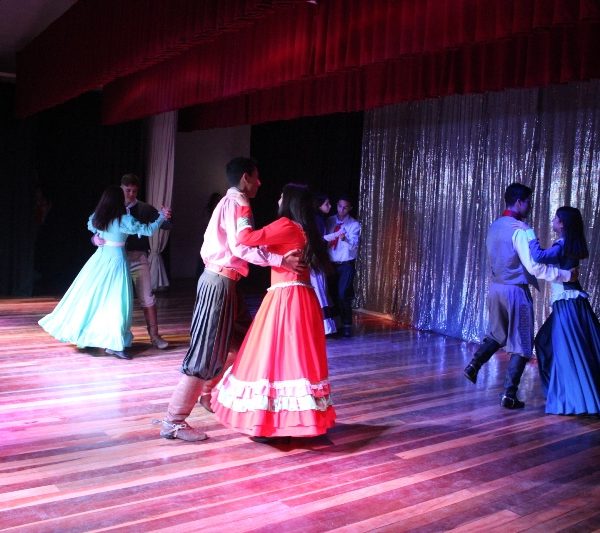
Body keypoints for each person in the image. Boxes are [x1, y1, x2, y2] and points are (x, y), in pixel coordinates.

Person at [157, 157, 304, 442]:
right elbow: (241, 246)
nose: (259, 183)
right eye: (256, 177)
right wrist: (280, 260)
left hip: (227, 282)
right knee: (205, 353)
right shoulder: (239, 203)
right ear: (245, 177)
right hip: (220, 281)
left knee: (244, 345)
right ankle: (173, 421)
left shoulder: (228, 202)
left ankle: (208, 393)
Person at [211, 183, 336, 440]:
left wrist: (243, 208)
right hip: (303, 297)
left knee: (273, 357)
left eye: (281, 196)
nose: (278, 200)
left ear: (289, 201)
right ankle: (295, 421)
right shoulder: (303, 228)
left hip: (286, 298)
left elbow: (245, 238)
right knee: (295, 359)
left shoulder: (286, 225)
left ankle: (269, 424)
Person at [463, 183, 576, 409]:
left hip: (496, 288)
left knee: (497, 333)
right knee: (523, 343)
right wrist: (565, 275)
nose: (530, 206)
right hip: (515, 291)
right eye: (528, 202)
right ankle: (509, 394)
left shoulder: (495, 226)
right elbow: (535, 267)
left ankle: (474, 365)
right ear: (519, 202)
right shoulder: (521, 230)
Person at [39, 186, 171, 359]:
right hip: (115, 262)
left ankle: (105, 340)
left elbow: (92, 224)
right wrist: (161, 217)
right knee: (117, 303)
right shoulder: (123, 220)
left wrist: (96, 238)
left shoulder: (101, 216)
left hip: (100, 260)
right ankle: (113, 343)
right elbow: (147, 230)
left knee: (98, 299)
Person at [520, 206, 600, 415]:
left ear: (562, 223)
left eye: (555, 218)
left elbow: (538, 256)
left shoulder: (562, 244)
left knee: (566, 349)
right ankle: (560, 390)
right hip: (570, 301)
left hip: (567, 303)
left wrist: (530, 235)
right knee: (546, 342)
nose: (553, 221)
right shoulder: (569, 243)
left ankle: (574, 398)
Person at [325, 195, 361, 337]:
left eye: (345, 207)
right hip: (330, 264)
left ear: (350, 208)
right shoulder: (330, 220)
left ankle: (347, 324)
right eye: (340, 206)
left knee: (343, 294)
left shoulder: (354, 224)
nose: (341, 210)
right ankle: (336, 324)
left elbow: (354, 246)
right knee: (331, 294)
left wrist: (344, 238)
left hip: (345, 264)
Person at [309, 193, 339, 335]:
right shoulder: (315, 219)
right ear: (318, 205)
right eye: (326, 204)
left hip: (319, 259)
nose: (330, 206)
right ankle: (324, 326)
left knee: (322, 290)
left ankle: (327, 325)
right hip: (315, 260)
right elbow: (317, 240)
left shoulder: (320, 219)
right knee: (319, 290)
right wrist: (334, 236)